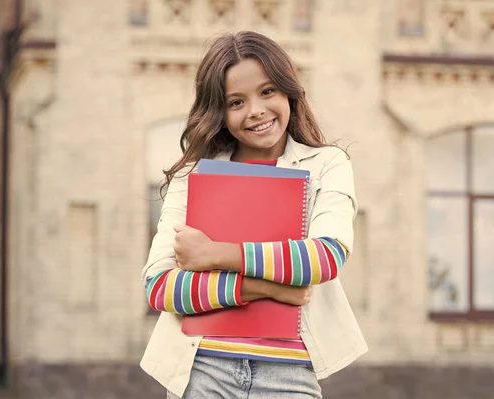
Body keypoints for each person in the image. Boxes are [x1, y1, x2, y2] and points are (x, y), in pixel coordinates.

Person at [140, 31, 367, 399]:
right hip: (201, 371)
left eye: (267, 92)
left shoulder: (328, 165)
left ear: (288, 90)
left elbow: (325, 257)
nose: (256, 110)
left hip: (289, 375)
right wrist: (265, 287)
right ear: (220, 111)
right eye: (236, 101)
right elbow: (161, 287)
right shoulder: (193, 175)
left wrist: (216, 254)